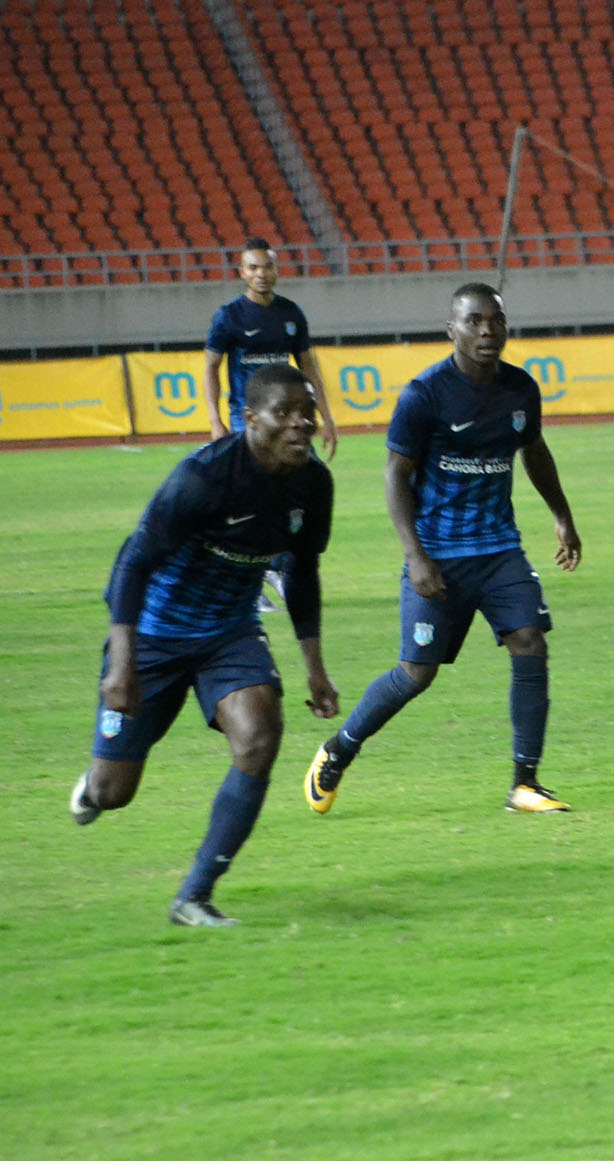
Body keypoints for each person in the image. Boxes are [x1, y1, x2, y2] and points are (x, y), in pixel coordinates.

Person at [71, 364, 338, 927]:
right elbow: (132, 564)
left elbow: (303, 572)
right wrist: (122, 664)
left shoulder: (313, 484)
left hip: (229, 632)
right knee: (114, 791)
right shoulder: (204, 477)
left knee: (260, 736)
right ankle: (93, 789)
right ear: (250, 419)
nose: (299, 425)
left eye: (306, 414)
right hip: (154, 634)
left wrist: (315, 667)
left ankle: (194, 895)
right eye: (284, 413)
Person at [304, 283, 582, 817]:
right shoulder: (424, 395)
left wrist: (562, 516)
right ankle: (339, 750)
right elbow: (395, 475)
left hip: (499, 550)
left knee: (529, 641)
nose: (487, 331)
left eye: (495, 320)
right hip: (438, 554)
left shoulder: (521, 389)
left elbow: (534, 450)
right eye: (474, 321)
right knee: (416, 674)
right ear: (451, 330)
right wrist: (415, 555)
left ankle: (525, 784)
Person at [206, 238, 338, 611]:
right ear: (242, 273)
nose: (261, 274)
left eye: (267, 266)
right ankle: (249, 576)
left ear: (277, 270)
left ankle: (278, 568)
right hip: (247, 418)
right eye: (253, 267)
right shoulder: (229, 317)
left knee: (303, 486)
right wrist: (216, 420)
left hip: (289, 417)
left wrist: (326, 418)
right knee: (250, 495)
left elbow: (309, 367)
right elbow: (211, 368)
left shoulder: (291, 314)